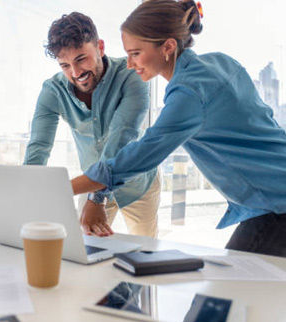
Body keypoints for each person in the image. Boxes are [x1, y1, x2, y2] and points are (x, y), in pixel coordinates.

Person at [71, 0, 286, 257]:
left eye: (136, 53)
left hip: (276, 205)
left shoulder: (189, 93)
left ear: (168, 47)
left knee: (229, 292)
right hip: (273, 197)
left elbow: (143, 153)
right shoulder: (221, 63)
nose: (129, 63)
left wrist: (63, 187)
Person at [24, 12, 160, 237]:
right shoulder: (53, 91)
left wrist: (97, 198)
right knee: (87, 253)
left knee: (145, 252)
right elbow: (38, 147)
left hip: (138, 185)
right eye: (65, 65)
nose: (76, 73)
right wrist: (24, 193)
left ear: (100, 47)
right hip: (90, 187)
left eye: (81, 59)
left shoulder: (131, 77)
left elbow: (120, 139)